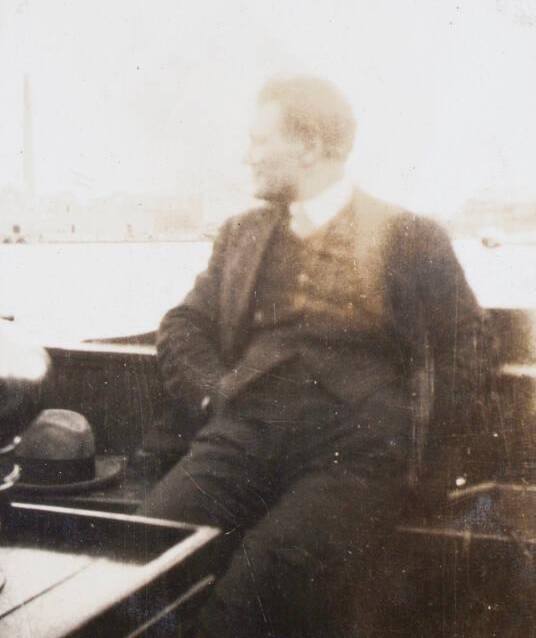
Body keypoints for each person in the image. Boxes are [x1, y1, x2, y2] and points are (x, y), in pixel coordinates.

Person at [141, 76, 493, 637]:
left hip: (355, 455)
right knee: (140, 559)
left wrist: (419, 458)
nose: (247, 156)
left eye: (259, 140)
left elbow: (465, 347)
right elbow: (184, 323)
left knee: (254, 598)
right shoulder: (241, 234)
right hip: (242, 435)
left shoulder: (410, 235)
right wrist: (214, 394)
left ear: (307, 146)